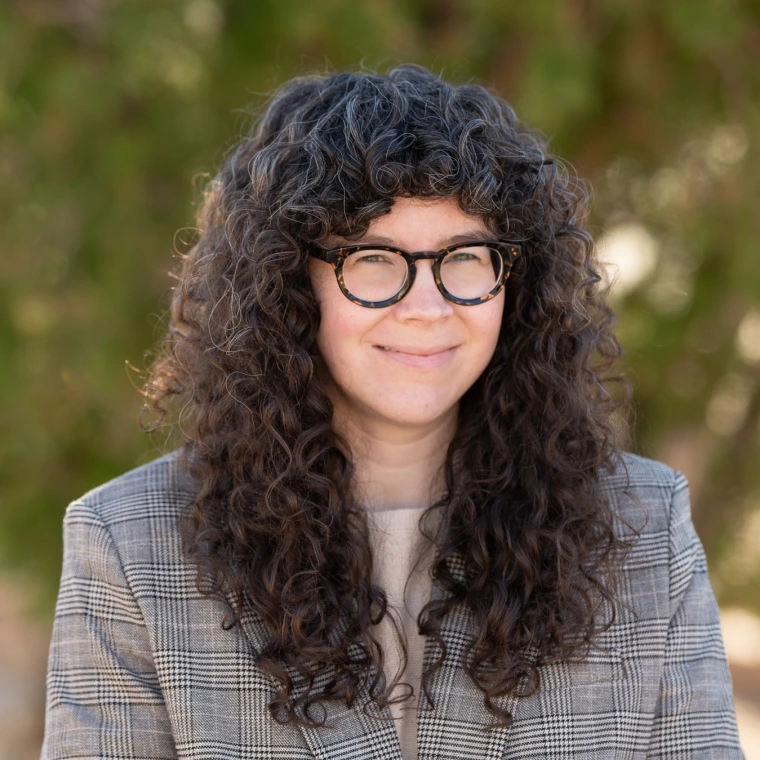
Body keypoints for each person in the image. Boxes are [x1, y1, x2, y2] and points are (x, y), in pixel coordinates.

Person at [41, 64, 744, 759]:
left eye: (465, 256)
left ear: (515, 282)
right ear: (290, 284)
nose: (427, 307)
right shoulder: (130, 545)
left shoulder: (646, 531)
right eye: (374, 258)